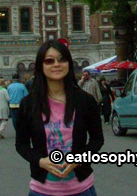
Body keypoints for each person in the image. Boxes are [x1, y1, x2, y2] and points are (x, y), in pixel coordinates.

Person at [15, 39, 104, 196]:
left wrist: (79, 159)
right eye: (49, 61)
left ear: (69, 64)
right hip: (42, 190)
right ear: (41, 66)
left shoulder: (85, 101)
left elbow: (97, 140)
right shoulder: (29, 104)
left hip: (81, 189)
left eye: (62, 59)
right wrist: (41, 161)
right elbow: (21, 144)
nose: (56, 64)